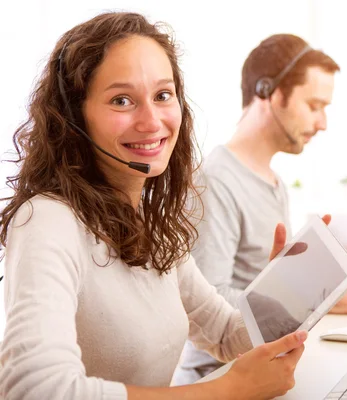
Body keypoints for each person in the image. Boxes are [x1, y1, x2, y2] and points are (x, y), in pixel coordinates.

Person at [0, 12, 312, 400]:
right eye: (121, 100)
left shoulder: (149, 221)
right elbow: (36, 390)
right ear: (73, 119)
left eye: (163, 95)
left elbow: (224, 333)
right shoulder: (48, 220)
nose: (152, 121)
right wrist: (227, 390)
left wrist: (285, 292)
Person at [172, 34, 347, 384]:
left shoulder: (273, 184)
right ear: (268, 92)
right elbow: (206, 303)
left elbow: (261, 280)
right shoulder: (215, 181)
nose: (322, 123)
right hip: (221, 376)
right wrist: (310, 298)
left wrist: (342, 282)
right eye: (314, 105)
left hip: (268, 365)